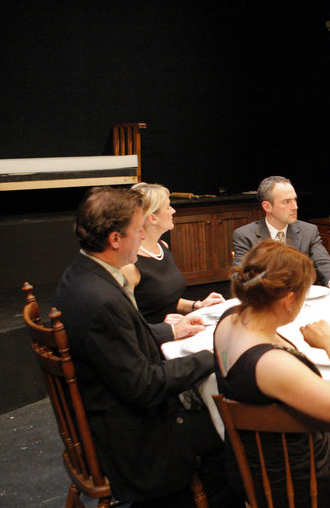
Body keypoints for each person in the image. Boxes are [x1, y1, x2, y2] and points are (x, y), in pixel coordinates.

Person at [54, 187, 240, 506]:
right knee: (234, 428)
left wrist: (170, 330)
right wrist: (213, 356)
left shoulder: (82, 274)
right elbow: (145, 386)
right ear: (115, 239)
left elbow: (122, 338)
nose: (143, 236)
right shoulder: (101, 301)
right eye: (138, 230)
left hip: (106, 407)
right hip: (130, 437)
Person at [214, 239, 330, 507]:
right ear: (289, 300)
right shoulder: (270, 363)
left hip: (247, 459)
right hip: (292, 480)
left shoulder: (230, 319)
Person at [122, 182, 225, 326]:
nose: (173, 211)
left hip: (175, 330)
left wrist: (197, 305)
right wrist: (161, 328)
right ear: (153, 218)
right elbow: (127, 323)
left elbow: (165, 301)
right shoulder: (129, 265)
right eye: (168, 206)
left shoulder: (163, 247)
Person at [233, 176, 330, 295]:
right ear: (267, 206)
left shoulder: (308, 231)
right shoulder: (245, 235)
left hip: (302, 302)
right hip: (265, 302)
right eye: (286, 202)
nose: (295, 207)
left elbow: (323, 262)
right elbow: (241, 278)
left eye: (295, 200)